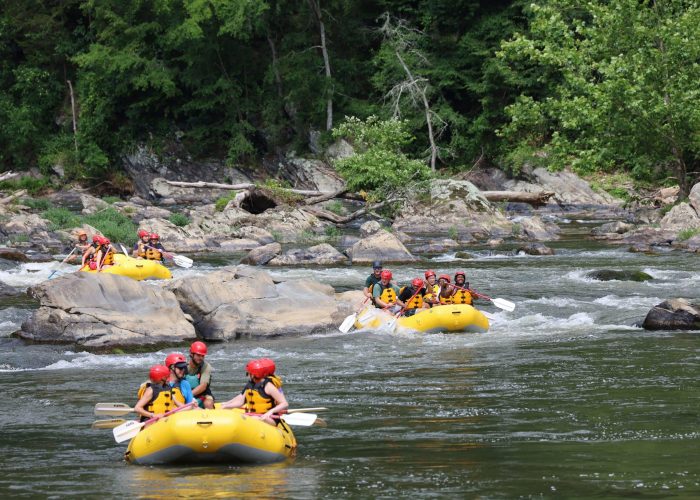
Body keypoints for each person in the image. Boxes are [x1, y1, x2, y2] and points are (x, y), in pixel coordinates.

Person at [221, 358, 288, 426]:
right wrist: (226, 406)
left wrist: (270, 412)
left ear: (253, 375)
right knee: (249, 417)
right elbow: (240, 401)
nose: (248, 375)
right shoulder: (250, 384)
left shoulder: (268, 386)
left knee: (252, 418)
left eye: (248, 373)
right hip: (254, 415)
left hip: (269, 418)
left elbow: (284, 403)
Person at [186, 341, 215, 409]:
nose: (201, 358)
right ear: (192, 354)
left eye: (202, 356)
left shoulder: (206, 366)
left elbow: (203, 386)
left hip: (203, 394)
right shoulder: (184, 366)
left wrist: (189, 396)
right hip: (186, 393)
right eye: (198, 355)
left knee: (208, 403)